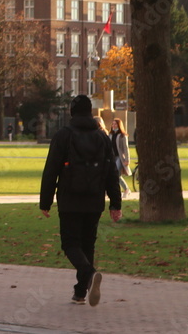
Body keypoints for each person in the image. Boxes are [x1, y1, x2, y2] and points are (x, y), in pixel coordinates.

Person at [40, 95, 122, 306]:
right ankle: (80, 291)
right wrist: (115, 203)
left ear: (72, 112)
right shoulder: (102, 137)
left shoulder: (63, 136)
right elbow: (112, 172)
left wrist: (45, 201)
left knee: (70, 244)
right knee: (88, 244)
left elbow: (51, 170)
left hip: (69, 198)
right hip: (95, 199)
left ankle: (88, 273)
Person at [110, 118, 131, 195]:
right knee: (115, 175)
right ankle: (125, 189)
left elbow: (126, 148)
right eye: (113, 124)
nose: (113, 125)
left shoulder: (122, 136)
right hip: (112, 157)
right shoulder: (110, 135)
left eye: (115, 124)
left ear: (119, 125)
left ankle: (125, 189)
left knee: (116, 173)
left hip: (119, 157)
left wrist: (127, 160)